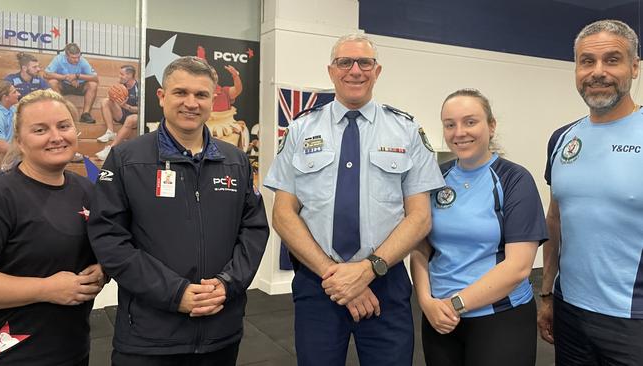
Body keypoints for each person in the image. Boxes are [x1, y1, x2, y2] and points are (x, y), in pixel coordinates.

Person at [264, 34, 444, 366]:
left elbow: (420, 217)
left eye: (365, 63)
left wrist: (368, 270)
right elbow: (283, 214)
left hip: (385, 284)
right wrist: (336, 275)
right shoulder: (301, 129)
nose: (355, 70)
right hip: (319, 285)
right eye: (345, 62)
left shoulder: (405, 130)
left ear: (377, 71)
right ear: (331, 71)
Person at [87, 56, 269, 365]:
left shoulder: (235, 161)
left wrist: (227, 283)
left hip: (219, 331)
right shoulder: (126, 159)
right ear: (162, 97)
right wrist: (174, 293)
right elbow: (109, 238)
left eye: (201, 95)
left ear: (213, 100)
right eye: (180, 92)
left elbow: (253, 229)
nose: (191, 103)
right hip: (148, 337)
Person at [411, 89, 547, 366]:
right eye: (450, 124)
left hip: (498, 317)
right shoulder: (436, 179)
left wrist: (455, 304)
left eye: (470, 122)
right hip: (440, 320)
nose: (459, 132)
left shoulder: (514, 179)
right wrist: (425, 301)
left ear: (491, 126)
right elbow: (419, 250)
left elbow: (519, 266)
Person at [538, 19, 643, 365]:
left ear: (635, 67)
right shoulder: (562, 138)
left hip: (634, 321)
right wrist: (548, 293)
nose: (597, 72)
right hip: (570, 312)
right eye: (587, 61)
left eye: (612, 59)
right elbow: (556, 220)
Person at [0, 89, 105, 365]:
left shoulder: (86, 189)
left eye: (64, 126)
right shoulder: (0, 195)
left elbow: (100, 249)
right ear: (19, 140)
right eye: (40, 130)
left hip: (72, 348)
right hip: (14, 354)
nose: (56, 137)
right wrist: (46, 288)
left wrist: (104, 271)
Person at [44, 43, 99, 123]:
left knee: (93, 84)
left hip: (79, 85)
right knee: (52, 82)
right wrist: (66, 77)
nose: (76, 60)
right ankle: (61, 110)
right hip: (64, 84)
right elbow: (46, 74)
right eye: (73, 58)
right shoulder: (58, 59)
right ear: (66, 56)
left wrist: (77, 76)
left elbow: (95, 78)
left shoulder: (83, 61)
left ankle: (85, 114)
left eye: (78, 57)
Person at [95, 65, 140, 160]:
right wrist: (112, 97)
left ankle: (111, 150)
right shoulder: (120, 85)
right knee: (105, 101)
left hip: (136, 117)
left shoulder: (139, 88)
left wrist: (127, 107)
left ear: (130, 75)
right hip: (122, 114)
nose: (119, 76)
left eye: (122, 74)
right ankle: (110, 132)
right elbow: (113, 99)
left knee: (130, 119)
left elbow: (142, 109)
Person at [0, 81, 20, 173]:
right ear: (5, 97)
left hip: (9, 154)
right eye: (14, 92)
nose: (19, 94)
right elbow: (1, 146)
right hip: (0, 158)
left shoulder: (11, 108)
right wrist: (27, 152)